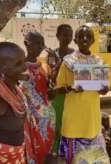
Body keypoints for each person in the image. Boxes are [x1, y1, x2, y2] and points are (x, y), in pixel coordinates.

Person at [56, 25, 110, 164]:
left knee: (92, 161)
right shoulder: (68, 62)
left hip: (91, 119)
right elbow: (58, 89)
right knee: (72, 162)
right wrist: (70, 88)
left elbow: (102, 89)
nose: (84, 39)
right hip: (73, 121)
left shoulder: (98, 62)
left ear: (93, 40)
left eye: (88, 36)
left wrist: (104, 89)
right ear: (75, 40)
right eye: (80, 36)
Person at [21, 31, 56, 164]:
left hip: (46, 121)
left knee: (44, 152)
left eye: (43, 44)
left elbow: (50, 93)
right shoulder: (18, 67)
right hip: (28, 121)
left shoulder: (43, 66)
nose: (41, 47)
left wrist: (53, 68)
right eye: (38, 44)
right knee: (29, 153)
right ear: (26, 44)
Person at [48, 24, 75, 154]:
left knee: (69, 124)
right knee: (57, 124)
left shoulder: (75, 54)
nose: (67, 37)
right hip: (58, 94)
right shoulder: (52, 54)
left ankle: (68, 152)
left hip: (72, 94)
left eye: (70, 35)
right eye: (64, 35)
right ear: (58, 36)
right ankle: (55, 153)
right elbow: (52, 75)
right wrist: (60, 61)